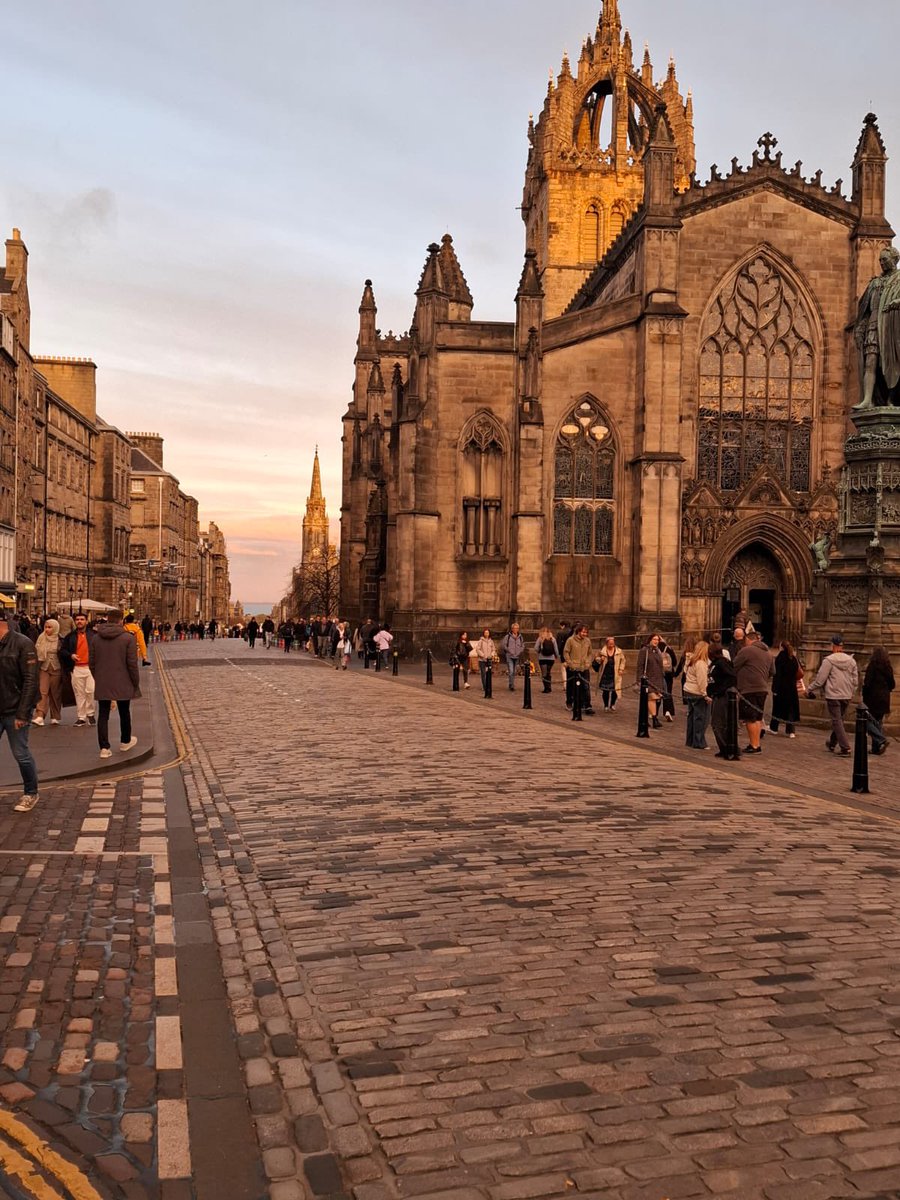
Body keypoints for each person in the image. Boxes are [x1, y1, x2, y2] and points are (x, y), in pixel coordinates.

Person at [0, 608, 40, 811]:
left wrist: (23, 713)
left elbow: (31, 681)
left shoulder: (23, 643)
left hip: (15, 709)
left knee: (20, 753)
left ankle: (30, 793)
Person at [89, 609, 141, 759]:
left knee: (103, 714)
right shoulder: (128, 638)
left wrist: (97, 677)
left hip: (103, 680)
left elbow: (92, 663)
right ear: (121, 621)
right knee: (124, 712)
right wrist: (135, 682)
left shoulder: (96, 638)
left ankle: (104, 748)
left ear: (107, 620)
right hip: (123, 680)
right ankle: (125, 741)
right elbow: (132, 664)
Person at [855, 245, 900, 410]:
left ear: (894, 259)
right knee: (871, 362)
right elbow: (864, 309)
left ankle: (892, 399)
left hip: (892, 328)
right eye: (880, 260)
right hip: (874, 326)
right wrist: (861, 327)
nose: (881, 262)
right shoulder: (875, 282)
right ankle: (867, 400)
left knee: (892, 364)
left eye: (884, 259)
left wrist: (898, 302)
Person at [806, 634, 859, 756]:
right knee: (839, 720)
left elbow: (820, 680)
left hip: (834, 695)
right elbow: (855, 680)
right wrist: (852, 692)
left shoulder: (828, 661)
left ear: (832, 646)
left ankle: (845, 747)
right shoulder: (851, 661)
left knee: (837, 720)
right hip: (846, 694)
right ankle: (832, 743)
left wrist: (809, 689)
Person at [732, 629, 774, 753]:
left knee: (750, 718)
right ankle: (756, 744)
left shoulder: (747, 650)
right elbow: (773, 672)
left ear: (749, 640)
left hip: (749, 689)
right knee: (757, 718)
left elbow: (734, 666)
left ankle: (754, 745)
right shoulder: (769, 653)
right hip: (763, 688)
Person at [59, 612, 96, 727]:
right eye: (77, 619)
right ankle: (81, 717)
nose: (79, 621)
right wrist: (71, 655)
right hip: (76, 668)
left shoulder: (94, 635)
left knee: (90, 691)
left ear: (86, 621)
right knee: (79, 693)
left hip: (90, 668)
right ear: (75, 621)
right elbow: (62, 650)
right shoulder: (70, 636)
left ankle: (90, 713)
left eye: (82, 619)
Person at [707, 645, 739, 760]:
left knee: (719, 723)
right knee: (718, 723)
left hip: (723, 696)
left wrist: (720, 690)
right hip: (717, 695)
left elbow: (731, 678)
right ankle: (723, 748)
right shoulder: (715, 664)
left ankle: (728, 748)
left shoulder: (722, 663)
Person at [862, 645, 894, 755]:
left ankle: (881, 739)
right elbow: (892, 684)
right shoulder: (888, 667)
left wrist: (864, 696)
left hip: (873, 698)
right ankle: (876, 748)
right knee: (878, 722)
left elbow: (867, 683)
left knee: (866, 722)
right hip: (884, 698)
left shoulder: (873, 666)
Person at [33, 618, 63, 727]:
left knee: (55, 693)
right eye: (46, 627)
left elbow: (63, 653)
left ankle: (55, 716)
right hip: (44, 667)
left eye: (49, 627)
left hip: (56, 668)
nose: (47, 629)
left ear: (55, 628)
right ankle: (40, 716)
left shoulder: (60, 639)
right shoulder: (41, 638)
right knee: (42, 691)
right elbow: (36, 650)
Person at [683, 639, 711, 750]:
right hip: (697, 692)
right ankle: (699, 741)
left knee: (692, 717)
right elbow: (702, 681)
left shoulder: (691, 660)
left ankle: (690, 740)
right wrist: (705, 694)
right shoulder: (700, 663)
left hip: (689, 690)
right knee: (701, 718)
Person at [770, 641, 802, 737]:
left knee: (777, 708)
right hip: (791, 687)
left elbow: (777, 675)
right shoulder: (793, 658)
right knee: (790, 710)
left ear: (781, 647)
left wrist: (774, 688)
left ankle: (774, 728)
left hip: (781, 688)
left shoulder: (780, 658)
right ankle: (791, 731)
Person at [636, 634, 666, 728]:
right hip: (648, 679)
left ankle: (646, 718)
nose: (656, 641)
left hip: (657, 679)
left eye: (657, 640)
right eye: (654, 639)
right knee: (652, 698)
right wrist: (639, 679)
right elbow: (640, 665)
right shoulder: (644, 651)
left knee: (652, 700)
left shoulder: (658, 651)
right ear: (650, 640)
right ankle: (654, 719)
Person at [564, 624, 594, 715]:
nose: (585, 634)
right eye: (583, 632)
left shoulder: (587, 641)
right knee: (572, 686)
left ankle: (587, 705)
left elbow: (590, 653)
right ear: (578, 631)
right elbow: (566, 652)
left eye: (586, 632)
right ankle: (570, 701)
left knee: (585, 686)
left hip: (584, 667)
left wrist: (588, 663)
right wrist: (570, 663)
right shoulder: (570, 640)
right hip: (573, 668)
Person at [592, 636, 625, 711]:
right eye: (610, 644)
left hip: (615, 673)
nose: (611, 645)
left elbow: (623, 661)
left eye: (612, 644)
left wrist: (621, 669)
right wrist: (601, 659)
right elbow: (596, 659)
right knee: (606, 690)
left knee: (615, 690)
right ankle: (606, 705)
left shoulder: (619, 651)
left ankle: (612, 704)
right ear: (606, 644)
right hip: (605, 673)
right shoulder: (602, 652)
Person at [534, 627, 559, 694]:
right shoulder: (552, 639)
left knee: (544, 674)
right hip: (551, 659)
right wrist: (556, 656)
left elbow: (536, 648)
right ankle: (549, 687)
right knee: (548, 672)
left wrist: (539, 651)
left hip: (542, 658)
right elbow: (556, 649)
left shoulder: (540, 639)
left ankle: (546, 688)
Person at [473, 628, 497, 698]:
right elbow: (477, 649)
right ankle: (484, 686)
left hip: (489, 660)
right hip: (482, 660)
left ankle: (488, 685)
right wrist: (483, 655)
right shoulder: (481, 641)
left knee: (488, 673)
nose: (486, 634)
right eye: (485, 633)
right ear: (483, 633)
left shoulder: (491, 641)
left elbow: (493, 649)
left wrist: (492, 655)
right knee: (483, 673)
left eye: (488, 633)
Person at [501, 623, 525, 691]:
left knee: (514, 672)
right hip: (510, 656)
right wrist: (509, 650)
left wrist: (520, 650)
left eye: (517, 628)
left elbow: (522, 645)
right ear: (512, 629)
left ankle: (511, 683)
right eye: (514, 628)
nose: (515, 630)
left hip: (517, 656)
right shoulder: (507, 637)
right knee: (511, 671)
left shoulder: (520, 637)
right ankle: (511, 685)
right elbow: (504, 645)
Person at [658, 637, 677, 721]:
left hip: (658, 673)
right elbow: (675, 662)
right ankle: (668, 711)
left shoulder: (655, 649)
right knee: (668, 691)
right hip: (668, 673)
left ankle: (653, 712)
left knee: (657, 692)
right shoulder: (669, 649)